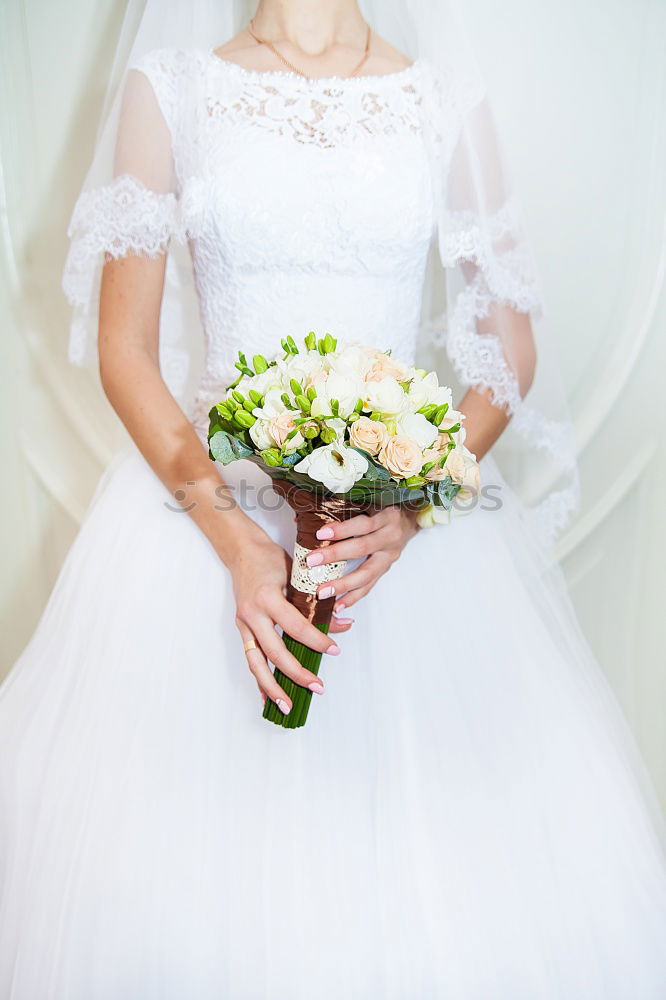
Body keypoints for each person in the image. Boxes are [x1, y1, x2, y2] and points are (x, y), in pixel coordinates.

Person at [1, 1, 665, 996]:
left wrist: (413, 504)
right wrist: (237, 548)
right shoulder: (173, 89)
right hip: (201, 528)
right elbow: (124, 352)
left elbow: (508, 350)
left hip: (396, 544)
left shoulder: (439, 97)